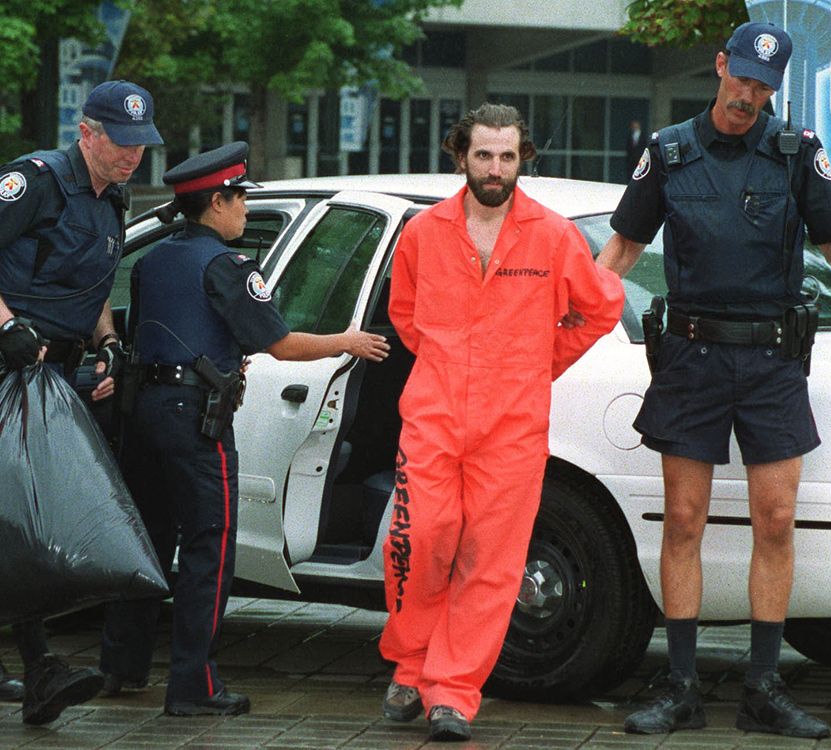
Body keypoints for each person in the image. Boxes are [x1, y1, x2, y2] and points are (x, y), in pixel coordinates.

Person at [594, 22, 831, 740]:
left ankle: (762, 687)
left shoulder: (795, 152)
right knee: (684, 519)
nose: (749, 95)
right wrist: (564, 321)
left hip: (772, 361)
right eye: (741, 78)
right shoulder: (668, 152)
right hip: (691, 358)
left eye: (763, 86)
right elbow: (623, 247)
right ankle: (682, 685)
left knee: (775, 521)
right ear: (720, 66)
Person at [99, 142, 390, 717]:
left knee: (148, 542)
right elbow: (280, 342)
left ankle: (122, 665)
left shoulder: (154, 260)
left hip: (146, 413)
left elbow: (159, 330)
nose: (244, 212)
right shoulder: (228, 268)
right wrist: (348, 341)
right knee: (209, 546)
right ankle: (194, 688)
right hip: (195, 421)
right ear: (216, 203)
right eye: (239, 200)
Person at [378, 103, 624, 743]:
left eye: (507, 156)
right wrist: (445, 365)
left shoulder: (552, 235)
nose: (495, 168)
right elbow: (405, 315)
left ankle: (453, 693)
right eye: (483, 155)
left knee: (492, 562)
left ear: (523, 159)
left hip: (512, 426)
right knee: (422, 538)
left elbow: (601, 307)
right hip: (431, 417)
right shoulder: (423, 232)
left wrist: (536, 364)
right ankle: (411, 660)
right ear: (460, 155)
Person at [0, 79, 163, 725]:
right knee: (19, 519)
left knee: (33, 523)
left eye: (140, 145)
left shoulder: (111, 200)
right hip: (8, 367)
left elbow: (94, 282)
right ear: (86, 132)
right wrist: (6, 325)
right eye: (120, 142)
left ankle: (39, 669)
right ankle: (40, 666)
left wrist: (108, 341)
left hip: (51, 382)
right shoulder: (34, 181)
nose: (131, 155)